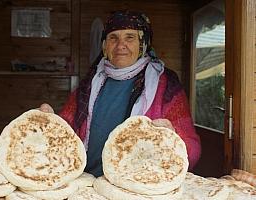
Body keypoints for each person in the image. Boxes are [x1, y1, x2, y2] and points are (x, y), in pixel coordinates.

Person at [39, 10, 201, 177]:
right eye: (113, 38)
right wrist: (49, 123)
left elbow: (192, 149)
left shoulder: (165, 84)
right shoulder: (89, 83)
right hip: (86, 181)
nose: (120, 45)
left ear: (143, 43)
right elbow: (65, 127)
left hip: (136, 185)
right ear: (105, 45)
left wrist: (173, 139)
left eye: (129, 37)